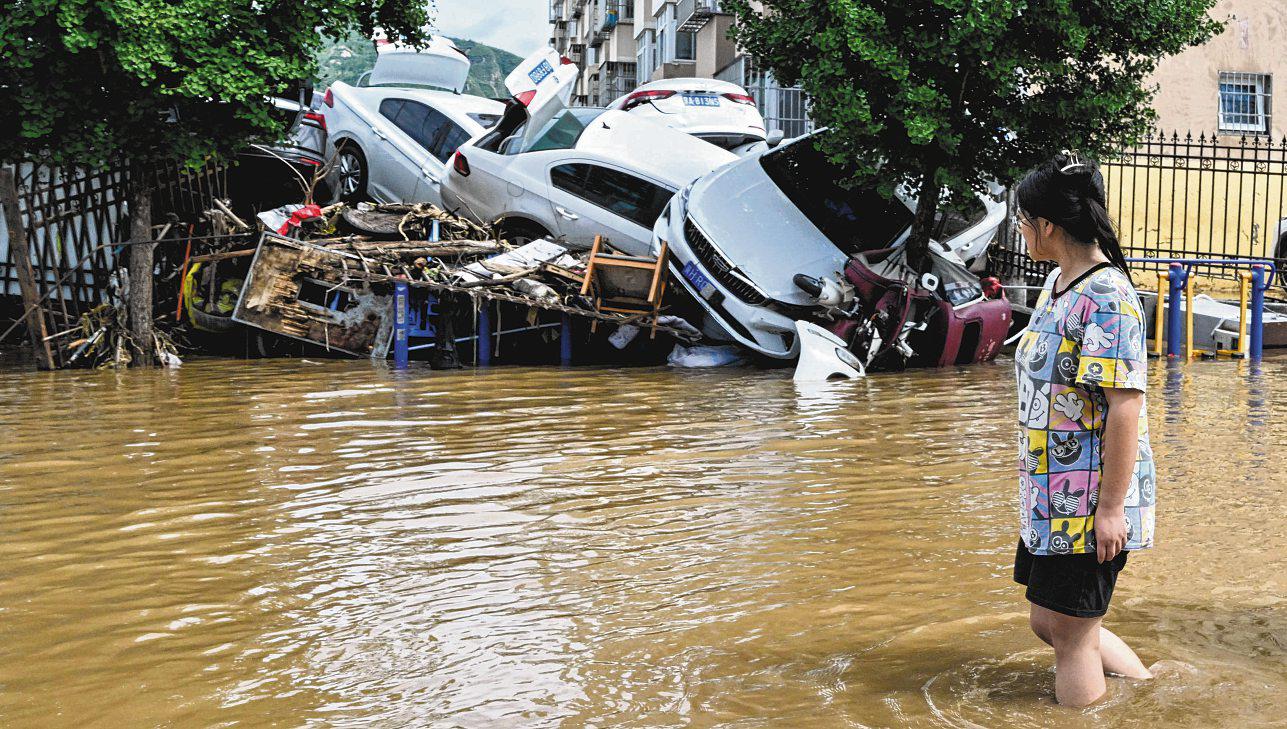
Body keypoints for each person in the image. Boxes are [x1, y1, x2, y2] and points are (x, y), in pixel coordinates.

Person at [1011, 152, 1157, 706]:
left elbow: (1125, 408)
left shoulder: (1108, 297)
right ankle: (1147, 691)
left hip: (1087, 499)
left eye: (1023, 221)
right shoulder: (1058, 282)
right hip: (1049, 492)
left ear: (1046, 225)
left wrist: (1111, 510)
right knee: (1048, 621)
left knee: (1071, 634)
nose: (1022, 230)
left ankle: (1085, 716)